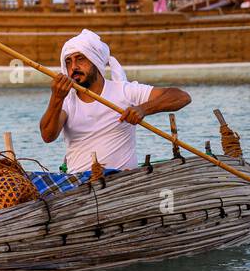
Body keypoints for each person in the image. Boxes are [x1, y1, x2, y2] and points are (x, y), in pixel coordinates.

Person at [39, 29, 190, 174]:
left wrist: (143, 109)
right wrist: (56, 98)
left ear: (95, 61)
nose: (74, 67)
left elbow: (181, 97)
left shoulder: (124, 91)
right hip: (80, 185)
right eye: (68, 62)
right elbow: (47, 136)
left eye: (80, 59)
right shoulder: (66, 102)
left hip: (123, 183)